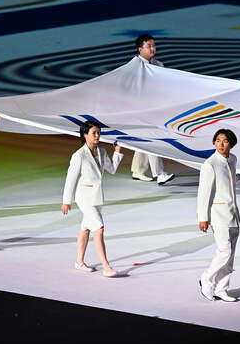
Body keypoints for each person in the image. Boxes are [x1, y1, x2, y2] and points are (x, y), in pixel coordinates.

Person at [197, 129, 240, 302]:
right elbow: (203, 193)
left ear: (231, 143)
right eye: (217, 140)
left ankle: (221, 288)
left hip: (233, 213)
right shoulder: (210, 164)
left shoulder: (232, 159)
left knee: (230, 256)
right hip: (217, 214)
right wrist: (203, 218)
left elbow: (233, 180)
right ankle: (206, 278)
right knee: (224, 251)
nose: (221, 144)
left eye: (224, 141)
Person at [62, 120, 124, 277]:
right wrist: (66, 201)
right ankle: (106, 267)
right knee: (99, 228)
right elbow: (70, 179)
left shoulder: (102, 151)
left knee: (86, 228)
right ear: (85, 134)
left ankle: (79, 262)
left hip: (97, 197)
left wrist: (117, 151)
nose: (97, 136)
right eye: (94, 133)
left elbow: (112, 169)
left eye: (98, 133)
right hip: (84, 198)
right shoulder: (78, 155)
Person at [129, 34, 175, 185]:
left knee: (145, 138)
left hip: (155, 108)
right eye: (149, 46)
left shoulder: (159, 65)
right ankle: (159, 174)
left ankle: (138, 171)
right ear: (140, 49)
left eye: (154, 45)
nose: (153, 48)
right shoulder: (133, 66)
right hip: (139, 109)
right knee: (152, 138)